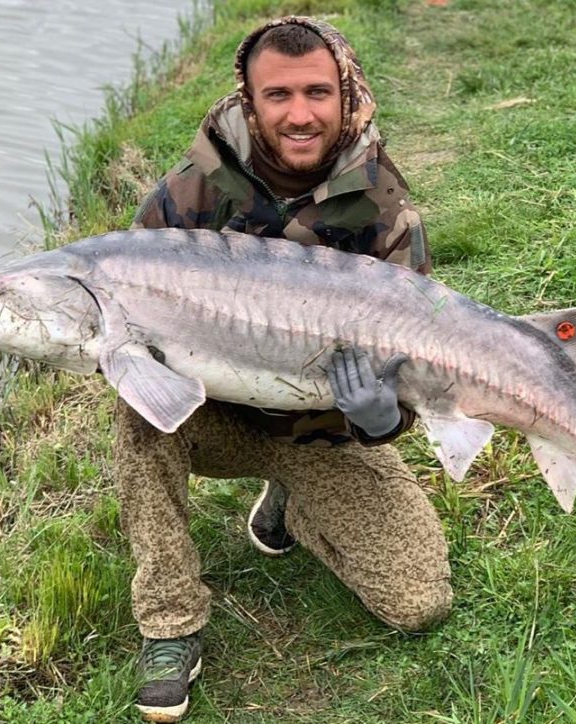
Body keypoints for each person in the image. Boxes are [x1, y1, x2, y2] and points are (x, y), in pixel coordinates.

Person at [116, 16, 451, 722]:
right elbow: (107, 313)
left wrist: (385, 419)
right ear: (248, 99)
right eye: (278, 96)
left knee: (418, 603)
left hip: (327, 432)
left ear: (345, 91)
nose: (300, 115)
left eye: (317, 93)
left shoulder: (387, 210)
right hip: (219, 420)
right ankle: (170, 622)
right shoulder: (187, 196)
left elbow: (418, 365)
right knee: (137, 406)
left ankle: (291, 505)